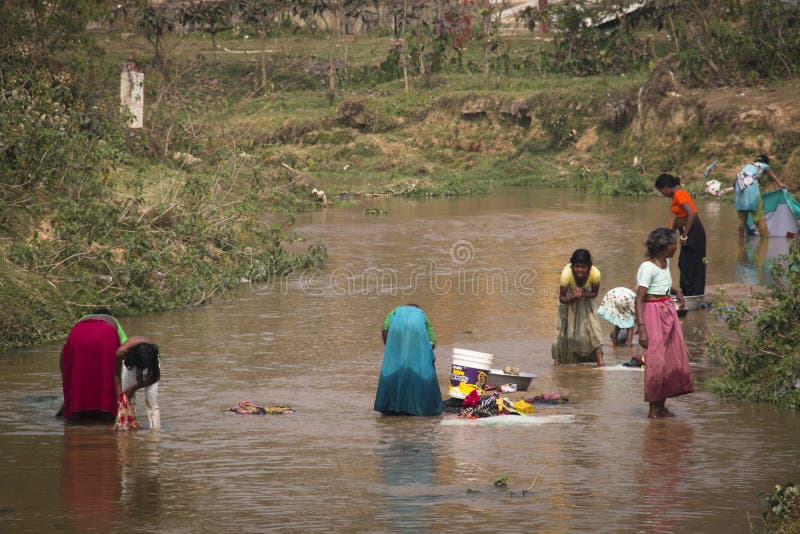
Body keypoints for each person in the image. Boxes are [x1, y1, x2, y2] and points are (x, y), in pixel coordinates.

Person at [634, 228, 694, 418]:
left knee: (670, 358)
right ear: (664, 247)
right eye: (674, 243)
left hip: (667, 311)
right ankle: (653, 408)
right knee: (656, 362)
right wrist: (642, 329)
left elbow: (662, 286)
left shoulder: (665, 263)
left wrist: (675, 292)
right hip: (652, 313)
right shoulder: (647, 268)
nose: (677, 246)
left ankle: (661, 406)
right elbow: (639, 299)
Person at [375, 304, 444, 416]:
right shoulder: (422, 315)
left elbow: (384, 328)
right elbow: (432, 342)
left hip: (395, 350)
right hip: (417, 360)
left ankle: (391, 408)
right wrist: (424, 356)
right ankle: (417, 409)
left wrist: (391, 350)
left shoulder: (393, 313)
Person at [655, 173, 706, 297]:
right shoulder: (676, 197)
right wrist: (671, 232)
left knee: (692, 262)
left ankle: (694, 293)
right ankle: (688, 291)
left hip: (693, 232)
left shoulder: (679, 195)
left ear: (666, 187)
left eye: (661, 190)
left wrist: (685, 235)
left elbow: (691, 214)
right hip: (687, 230)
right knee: (684, 262)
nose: (662, 193)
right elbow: (679, 218)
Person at [551, 249, 605, 367]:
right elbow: (562, 297)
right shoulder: (567, 274)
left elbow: (594, 293)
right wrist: (571, 300)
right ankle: (558, 361)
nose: (579, 270)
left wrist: (582, 295)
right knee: (563, 328)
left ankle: (600, 362)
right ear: (572, 267)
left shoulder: (595, 274)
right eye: (576, 267)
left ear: (589, 268)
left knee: (592, 326)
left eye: (583, 267)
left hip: (585, 296)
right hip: (568, 296)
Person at [735, 154, 787, 238]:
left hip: (739, 189)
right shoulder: (764, 165)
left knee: (741, 219)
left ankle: (741, 240)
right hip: (751, 189)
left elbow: (738, 179)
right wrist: (780, 184)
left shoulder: (748, 165)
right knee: (759, 216)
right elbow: (772, 175)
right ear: (766, 162)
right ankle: (764, 240)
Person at [117, 336, 161, 429]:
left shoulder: (152, 355)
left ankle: (156, 432)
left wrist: (134, 387)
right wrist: (120, 399)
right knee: (128, 399)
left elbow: (155, 377)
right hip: (131, 361)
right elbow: (115, 375)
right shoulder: (121, 352)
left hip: (149, 362)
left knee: (151, 400)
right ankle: (129, 428)